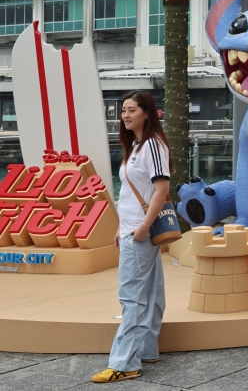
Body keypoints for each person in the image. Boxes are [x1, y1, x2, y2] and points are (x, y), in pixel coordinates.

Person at [92, 91, 171, 383]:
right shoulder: (137, 145)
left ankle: (124, 363)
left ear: (147, 113)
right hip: (132, 229)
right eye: (123, 110)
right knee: (150, 293)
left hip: (140, 232)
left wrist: (143, 226)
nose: (125, 115)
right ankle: (146, 350)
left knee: (133, 297)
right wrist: (121, 227)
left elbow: (161, 189)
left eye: (132, 110)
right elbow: (131, 193)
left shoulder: (152, 145)